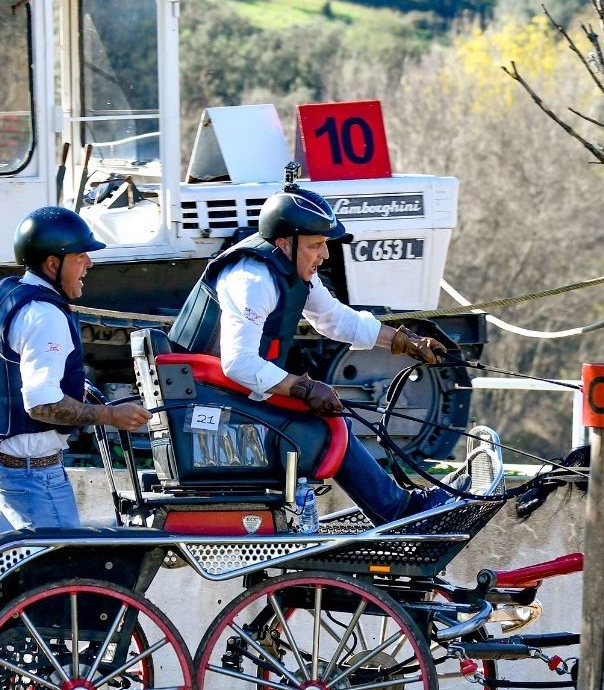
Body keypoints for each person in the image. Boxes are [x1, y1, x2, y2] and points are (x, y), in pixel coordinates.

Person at [168, 183, 452, 523]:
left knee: (329, 421)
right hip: (205, 404)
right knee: (324, 428)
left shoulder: (290, 267)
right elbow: (237, 362)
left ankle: (396, 509)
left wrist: (407, 342)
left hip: (223, 393)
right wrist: (303, 388)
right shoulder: (253, 280)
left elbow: (334, 319)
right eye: (316, 245)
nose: (325, 255)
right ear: (285, 244)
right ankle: (399, 513)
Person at [0, 206, 151, 532]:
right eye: (80, 256)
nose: (90, 264)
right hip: (32, 479)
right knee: (68, 576)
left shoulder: (2, 293)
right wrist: (110, 416)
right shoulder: (45, 315)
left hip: (0, 468)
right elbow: (42, 404)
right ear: (52, 264)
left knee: (23, 580)